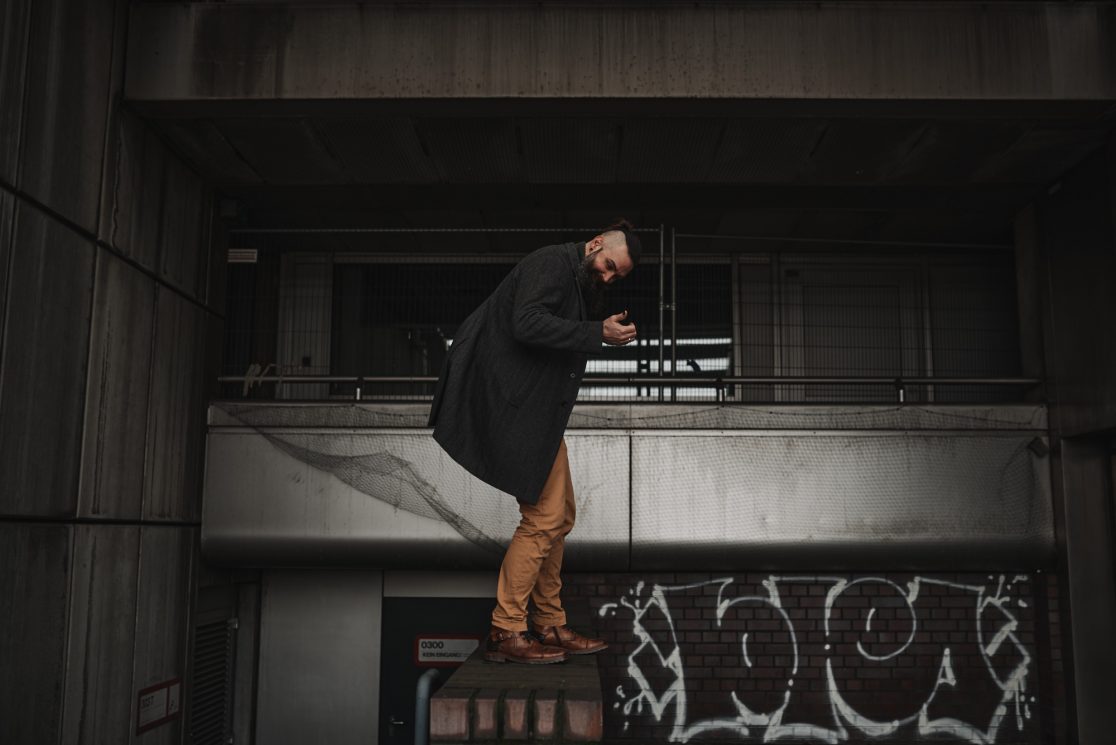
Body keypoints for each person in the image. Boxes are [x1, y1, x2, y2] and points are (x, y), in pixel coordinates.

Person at [428, 221, 640, 664]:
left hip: (535, 416)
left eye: (615, 276)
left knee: (560, 515)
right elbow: (526, 323)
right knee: (543, 518)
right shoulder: (551, 263)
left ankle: (548, 622)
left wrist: (594, 331)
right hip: (512, 407)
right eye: (607, 265)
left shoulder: (574, 278)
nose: (607, 277)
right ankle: (507, 629)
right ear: (595, 244)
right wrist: (596, 333)